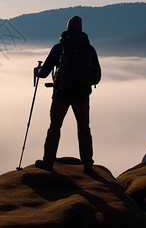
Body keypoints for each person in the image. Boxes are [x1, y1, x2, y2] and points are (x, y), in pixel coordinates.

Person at [34, 16, 101, 173]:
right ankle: (88, 165)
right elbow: (97, 75)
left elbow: (44, 73)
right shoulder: (89, 49)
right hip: (82, 95)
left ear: (68, 28)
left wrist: (37, 71)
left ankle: (48, 162)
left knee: (55, 127)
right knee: (84, 129)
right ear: (81, 28)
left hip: (61, 95)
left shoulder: (59, 48)